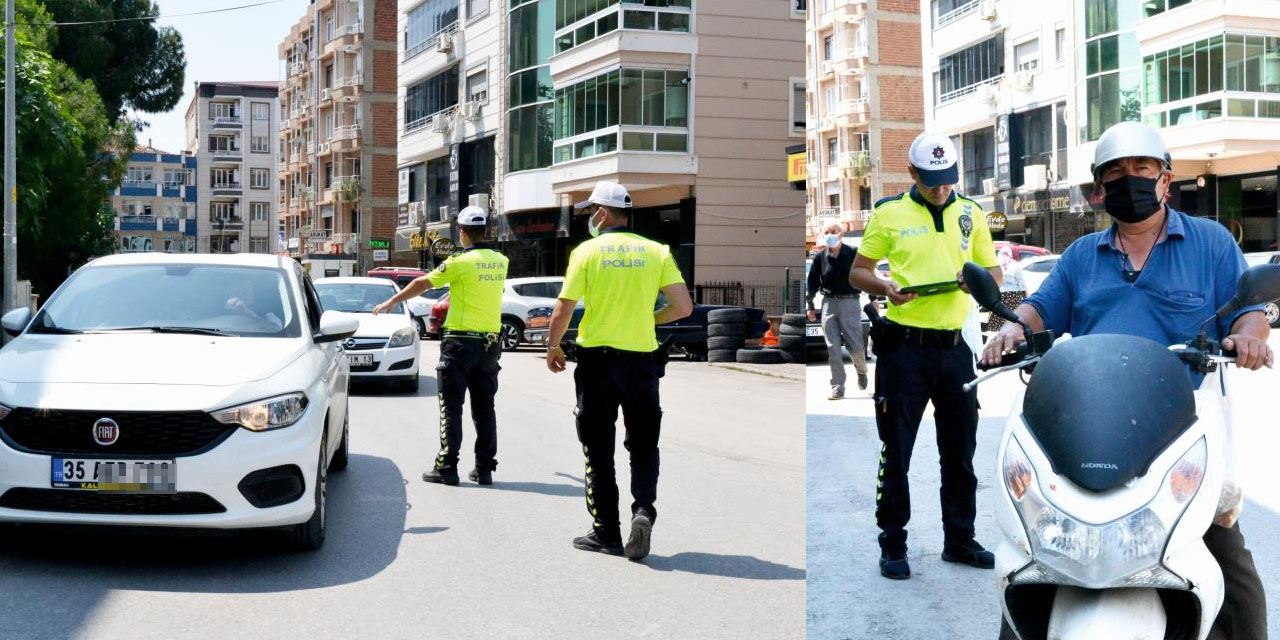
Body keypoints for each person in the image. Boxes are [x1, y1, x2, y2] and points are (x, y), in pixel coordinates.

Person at [982, 121, 1271, 640]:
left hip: (1180, 430)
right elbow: (1038, 309)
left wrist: (1249, 338)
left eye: (1142, 168)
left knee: (1224, 554)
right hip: (1091, 427)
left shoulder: (1210, 243)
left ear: (1166, 179)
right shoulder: (1080, 256)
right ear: (1099, 189)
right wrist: (1010, 329)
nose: (1129, 179)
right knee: (1034, 552)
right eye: (1115, 172)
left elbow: (1248, 311)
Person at [848, 131, 1003, 580]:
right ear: (912, 173)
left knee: (960, 452)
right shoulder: (888, 214)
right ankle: (893, 544)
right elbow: (858, 272)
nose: (941, 189)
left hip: (955, 350)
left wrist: (976, 280)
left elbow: (993, 271)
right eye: (932, 181)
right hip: (904, 351)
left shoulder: (971, 213)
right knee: (897, 451)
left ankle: (960, 540)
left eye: (948, 179)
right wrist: (885, 287)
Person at [545, 181, 693, 561]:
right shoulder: (657, 251)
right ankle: (643, 510)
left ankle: (606, 532)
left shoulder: (587, 252)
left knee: (598, 449)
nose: (590, 218)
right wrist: (648, 319)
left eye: (591, 212)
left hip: (596, 362)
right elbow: (683, 307)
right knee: (643, 444)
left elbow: (563, 308)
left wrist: (553, 345)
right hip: (641, 363)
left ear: (602, 213)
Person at [374, 206, 509, 487]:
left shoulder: (460, 262)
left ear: (462, 232)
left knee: (451, 407)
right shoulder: (501, 261)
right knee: (485, 408)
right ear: (485, 230)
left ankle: (447, 467)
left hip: (459, 343)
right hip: (489, 344)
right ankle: (484, 469)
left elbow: (423, 282)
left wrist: (392, 301)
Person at [807, 223, 869, 399]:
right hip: (829, 303)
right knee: (833, 348)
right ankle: (838, 387)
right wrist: (810, 306)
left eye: (833, 232)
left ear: (842, 234)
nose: (830, 235)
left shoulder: (853, 253)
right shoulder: (820, 257)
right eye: (826, 232)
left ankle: (861, 370)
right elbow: (812, 282)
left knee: (856, 347)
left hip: (850, 303)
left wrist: (873, 299)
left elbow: (865, 275)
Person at [985, 246, 1025, 332]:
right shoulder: (1015, 265)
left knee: (999, 322)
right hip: (1014, 297)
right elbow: (1022, 283)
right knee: (1012, 321)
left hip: (1000, 296)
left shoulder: (997, 266)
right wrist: (1026, 296)